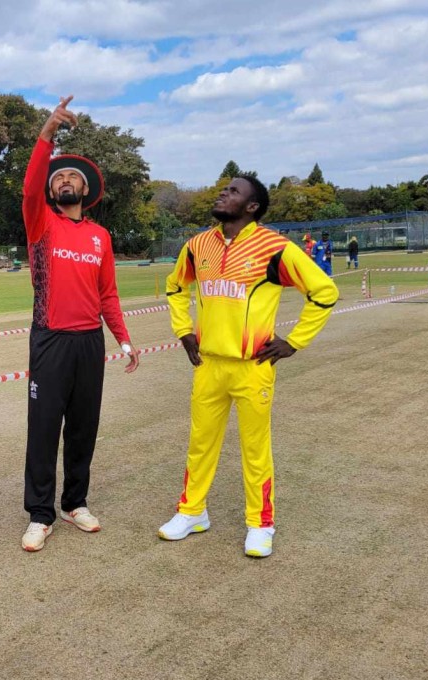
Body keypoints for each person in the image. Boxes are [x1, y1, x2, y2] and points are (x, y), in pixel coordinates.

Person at [157, 176, 338, 557]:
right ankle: (193, 512)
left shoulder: (274, 248)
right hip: (208, 365)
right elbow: (176, 287)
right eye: (224, 189)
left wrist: (294, 341)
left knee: (255, 449)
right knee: (200, 444)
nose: (224, 193)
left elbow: (324, 292)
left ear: (252, 206)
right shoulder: (197, 245)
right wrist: (184, 330)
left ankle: (260, 524)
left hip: (252, 367)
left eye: (234, 191)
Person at [19, 95, 139, 552]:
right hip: (50, 341)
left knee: (84, 426)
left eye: (73, 177)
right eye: (58, 177)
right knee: (44, 427)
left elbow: (108, 293)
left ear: (85, 190)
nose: (65, 180)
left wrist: (123, 340)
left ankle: (75, 503)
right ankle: (39, 513)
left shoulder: (100, 236)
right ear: (51, 192)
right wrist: (47, 133)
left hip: (90, 343)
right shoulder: (41, 224)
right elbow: (30, 187)